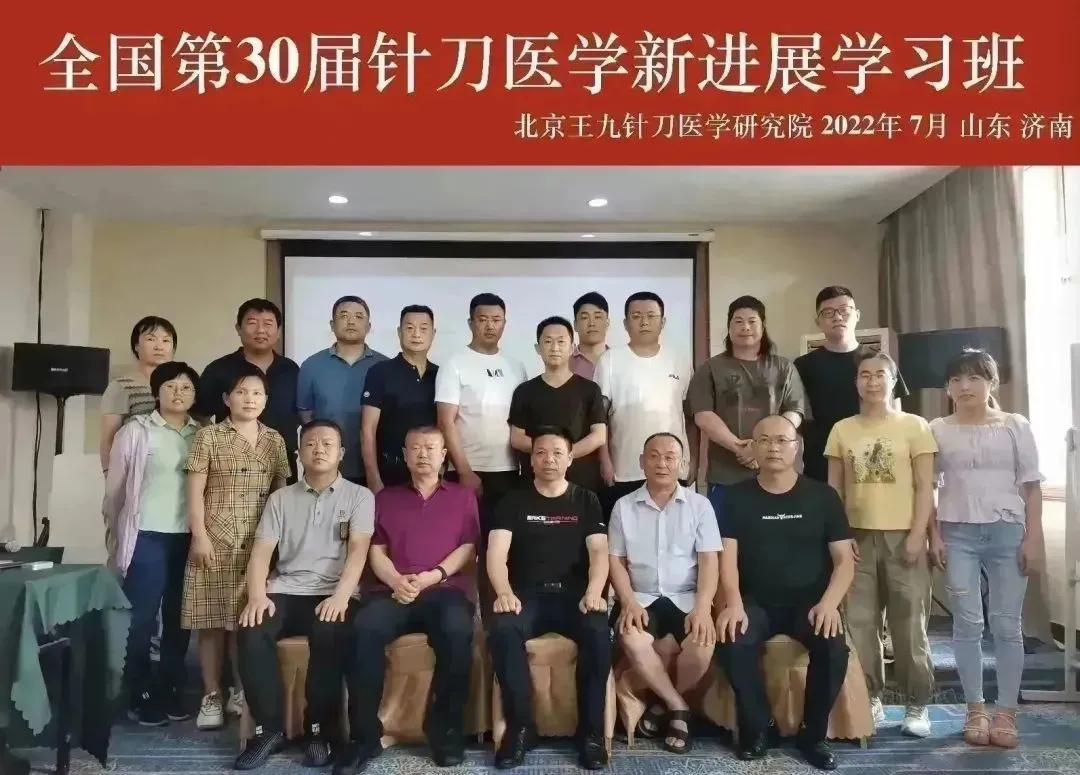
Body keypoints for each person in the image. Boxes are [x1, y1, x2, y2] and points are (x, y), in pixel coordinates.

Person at [335, 426, 479, 775]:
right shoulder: (385, 498)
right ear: (404, 454)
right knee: (363, 629)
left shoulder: (463, 496)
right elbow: (376, 550)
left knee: (457, 632)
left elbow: (468, 547)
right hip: (393, 591)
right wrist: (396, 581)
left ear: (444, 455)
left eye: (431, 448)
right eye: (415, 448)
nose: (423, 454)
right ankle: (364, 737)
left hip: (444, 589)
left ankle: (445, 731)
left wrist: (434, 576)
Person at [715, 415, 854, 771]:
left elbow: (844, 561)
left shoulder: (823, 497)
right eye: (763, 440)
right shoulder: (734, 497)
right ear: (752, 448)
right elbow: (726, 558)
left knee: (833, 648)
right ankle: (758, 726)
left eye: (781, 440)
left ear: (797, 447)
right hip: (755, 602)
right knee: (732, 640)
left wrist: (829, 604)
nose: (773, 448)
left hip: (809, 603)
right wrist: (733, 602)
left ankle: (813, 735)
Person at [234, 419, 374, 770]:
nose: (319, 449)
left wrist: (341, 596)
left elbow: (358, 551)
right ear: (299, 454)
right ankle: (268, 730)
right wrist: (256, 595)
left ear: (342, 453)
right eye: (311, 444)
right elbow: (262, 551)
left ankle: (320, 732)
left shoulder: (359, 496)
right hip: (287, 588)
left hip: (333, 592)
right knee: (251, 628)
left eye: (328, 444)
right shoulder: (281, 498)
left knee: (329, 632)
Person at [929, 350, 1044, 749]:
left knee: (1007, 624)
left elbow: (1032, 486)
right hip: (956, 533)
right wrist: (933, 535)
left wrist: (1033, 538)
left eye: (974, 378)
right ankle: (975, 708)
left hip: (1006, 532)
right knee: (967, 623)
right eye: (956, 380)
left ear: (992, 383)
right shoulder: (937, 429)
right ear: (947, 387)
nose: (964, 387)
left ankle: (1006, 711)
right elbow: (925, 487)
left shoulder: (1015, 425)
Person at [825, 350, 937, 737]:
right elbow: (834, 491)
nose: (872, 381)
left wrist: (918, 534)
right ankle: (869, 697)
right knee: (860, 624)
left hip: (905, 537)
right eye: (864, 375)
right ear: (856, 382)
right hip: (856, 538)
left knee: (910, 626)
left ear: (893, 381)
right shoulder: (842, 429)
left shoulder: (916, 426)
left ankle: (916, 704)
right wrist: (840, 537)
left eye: (880, 374)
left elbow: (925, 487)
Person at [485, 426, 611, 770]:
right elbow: (496, 553)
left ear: (570, 459)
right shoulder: (513, 501)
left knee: (598, 632)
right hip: (526, 596)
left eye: (557, 453)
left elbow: (599, 553)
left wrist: (594, 592)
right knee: (502, 629)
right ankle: (521, 728)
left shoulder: (586, 500)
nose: (549, 459)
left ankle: (591, 733)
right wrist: (504, 592)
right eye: (540, 452)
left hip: (575, 597)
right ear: (531, 459)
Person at [182, 362, 292, 731]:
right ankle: (212, 694)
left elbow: (281, 495)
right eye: (242, 392)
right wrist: (199, 535)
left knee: (247, 621)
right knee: (211, 622)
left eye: (257, 393)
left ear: (266, 400)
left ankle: (242, 692)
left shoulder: (274, 440)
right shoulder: (209, 437)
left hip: (259, 544)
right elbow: (194, 491)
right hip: (216, 540)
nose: (249, 399)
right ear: (227, 399)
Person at [608, 432, 720, 754]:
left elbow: (709, 561)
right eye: (654, 456)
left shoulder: (700, 506)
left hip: (687, 598)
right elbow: (615, 561)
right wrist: (628, 601)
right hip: (640, 597)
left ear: (682, 464)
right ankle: (679, 707)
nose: (662, 463)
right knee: (632, 638)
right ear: (641, 462)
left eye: (670, 457)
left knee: (702, 647)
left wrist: (703, 608)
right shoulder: (623, 507)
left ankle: (661, 705)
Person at [103, 360, 199, 726]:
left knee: (179, 617)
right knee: (141, 618)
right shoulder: (136, 431)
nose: (178, 393)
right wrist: (116, 533)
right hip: (146, 537)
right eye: (170, 386)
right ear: (157, 392)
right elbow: (114, 491)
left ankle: (171, 687)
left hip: (188, 538)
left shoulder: (202, 433)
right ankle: (138, 691)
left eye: (186, 387)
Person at [688, 295, 806, 532]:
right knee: (724, 540)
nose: (745, 327)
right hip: (725, 476)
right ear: (729, 327)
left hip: (776, 474)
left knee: (774, 539)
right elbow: (703, 415)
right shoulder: (711, 368)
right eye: (738, 321)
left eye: (752, 321)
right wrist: (740, 447)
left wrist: (761, 447)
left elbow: (794, 412)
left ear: (763, 326)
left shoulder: (783, 367)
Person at [793, 286, 909, 483]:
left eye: (844, 310)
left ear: (857, 315)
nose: (837, 317)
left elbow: (896, 415)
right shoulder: (803, 366)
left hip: (873, 463)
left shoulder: (879, 361)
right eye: (828, 312)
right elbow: (797, 422)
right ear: (818, 322)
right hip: (821, 465)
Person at [594, 291, 695, 515]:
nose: (644, 322)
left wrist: (693, 460)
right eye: (636, 316)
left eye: (651, 316)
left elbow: (690, 416)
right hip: (625, 469)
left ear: (663, 322)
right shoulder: (610, 360)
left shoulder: (679, 360)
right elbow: (599, 418)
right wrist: (605, 461)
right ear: (625, 323)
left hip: (672, 467)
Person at [435, 293, 528, 532]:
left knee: (503, 540)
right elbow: (445, 422)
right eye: (483, 319)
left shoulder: (516, 366)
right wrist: (464, 471)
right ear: (470, 323)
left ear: (504, 323)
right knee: (465, 538)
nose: (490, 326)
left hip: (509, 470)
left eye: (496, 320)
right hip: (468, 470)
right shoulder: (454, 364)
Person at [197, 299, 300, 481]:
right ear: (238, 328)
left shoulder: (291, 369)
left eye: (268, 324)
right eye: (252, 323)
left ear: (278, 331)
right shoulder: (219, 369)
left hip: (282, 464)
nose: (260, 330)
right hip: (231, 466)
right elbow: (200, 415)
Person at [509, 316, 607, 492]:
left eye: (561, 342)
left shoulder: (590, 389)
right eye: (548, 341)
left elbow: (598, 435)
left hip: (582, 483)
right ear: (538, 348)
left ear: (572, 348)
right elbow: (517, 438)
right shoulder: (524, 391)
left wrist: (564, 455)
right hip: (536, 484)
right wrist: (550, 455)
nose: (555, 348)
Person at [297, 295, 387, 485]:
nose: (351, 321)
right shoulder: (311, 365)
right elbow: (305, 413)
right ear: (332, 324)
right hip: (325, 469)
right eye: (344, 316)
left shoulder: (385, 366)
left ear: (369, 326)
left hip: (377, 468)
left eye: (358, 316)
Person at [360, 305, 438, 492]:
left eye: (423, 328)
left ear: (433, 334)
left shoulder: (440, 374)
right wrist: (373, 477)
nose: (416, 334)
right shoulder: (380, 372)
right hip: (391, 472)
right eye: (409, 328)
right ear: (399, 332)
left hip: (431, 474)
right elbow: (367, 429)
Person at [99, 315, 179, 471]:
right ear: (136, 345)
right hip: (137, 472)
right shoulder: (120, 387)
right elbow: (108, 442)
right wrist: (110, 476)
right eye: (151, 339)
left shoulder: (183, 387)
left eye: (166, 340)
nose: (159, 346)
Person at [570, 292, 610, 380]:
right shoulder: (564, 364)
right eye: (585, 318)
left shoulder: (620, 360)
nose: (591, 323)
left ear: (607, 323)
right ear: (575, 325)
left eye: (597, 317)